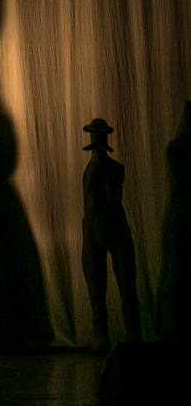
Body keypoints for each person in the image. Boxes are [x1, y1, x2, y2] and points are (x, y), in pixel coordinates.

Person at [81, 118, 142, 352]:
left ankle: (131, 334)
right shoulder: (95, 172)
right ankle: (103, 335)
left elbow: (109, 198)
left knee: (126, 287)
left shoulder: (110, 170)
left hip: (111, 227)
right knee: (98, 290)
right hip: (97, 228)